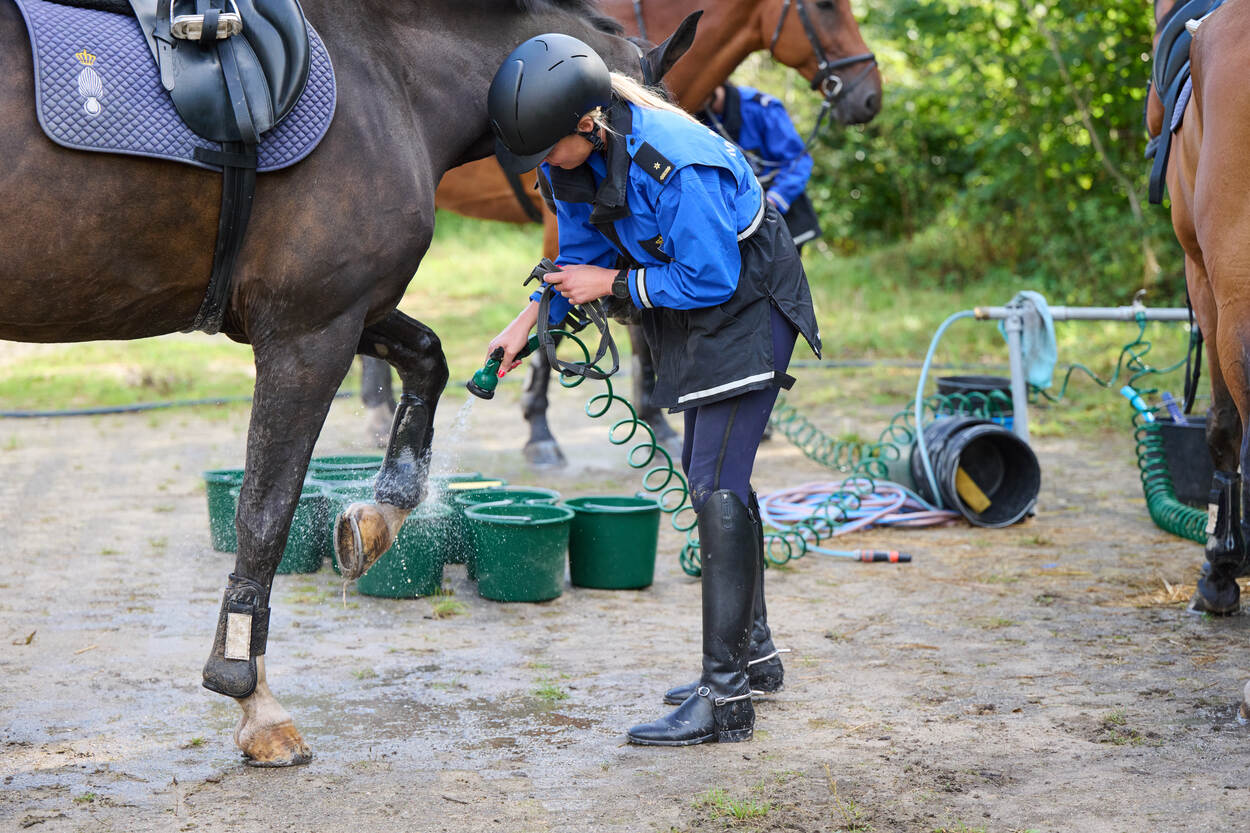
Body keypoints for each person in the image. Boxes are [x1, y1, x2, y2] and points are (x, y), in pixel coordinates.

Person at [484, 33, 822, 746]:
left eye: (546, 150)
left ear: (587, 123)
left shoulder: (673, 162)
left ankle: (725, 696)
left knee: (715, 484)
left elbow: (711, 275)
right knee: (716, 475)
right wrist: (528, 323)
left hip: (748, 299)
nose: (540, 165)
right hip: (698, 305)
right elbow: (580, 257)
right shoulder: (567, 160)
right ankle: (754, 657)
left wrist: (611, 283)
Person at [698, 83, 822, 252]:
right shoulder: (694, 118)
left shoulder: (759, 107)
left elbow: (798, 161)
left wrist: (772, 201)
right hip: (737, 219)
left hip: (777, 205)